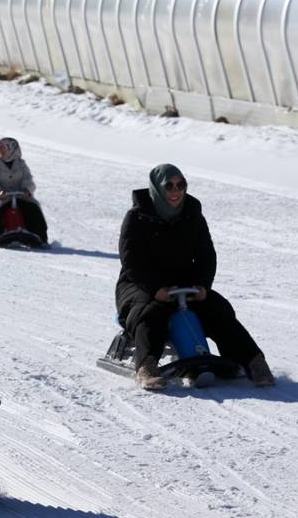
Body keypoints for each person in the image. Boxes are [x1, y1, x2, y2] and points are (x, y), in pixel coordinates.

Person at [116, 164, 275, 390]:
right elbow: (132, 261)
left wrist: (202, 285)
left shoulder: (192, 213)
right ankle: (146, 366)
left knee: (217, 308)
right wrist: (154, 289)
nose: (175, 191)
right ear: (156, 188)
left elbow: (206, 255)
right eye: (169, 186)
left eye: (181, 185)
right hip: (141, 284)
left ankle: (253, 361)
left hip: (184, 282)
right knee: (151, 311)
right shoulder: (137, 217)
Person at [0, 137, 48, 244]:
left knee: (33, 208)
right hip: (1, 197)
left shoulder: (21, 164)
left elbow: (28, 179)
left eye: (3, 147)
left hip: (20, 196)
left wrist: (27, 190)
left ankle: (41, 237)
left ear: (11, 149)